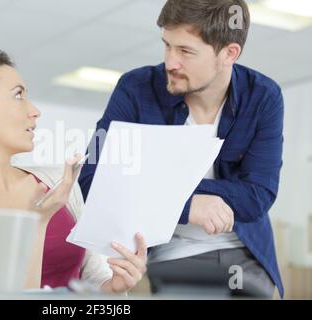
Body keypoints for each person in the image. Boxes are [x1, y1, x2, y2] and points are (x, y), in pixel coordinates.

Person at [79, 0, 283, 298]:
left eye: (186, 51)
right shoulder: (135, 89)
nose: (170, 62)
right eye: (167, 46)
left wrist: (158, 189)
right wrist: (188, 204)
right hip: (171, 257)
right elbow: (92, 180)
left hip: (248, 256)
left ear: (229, 53)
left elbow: (258, 195)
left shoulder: (264, 97)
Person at [0, 50, 147, 293]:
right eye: (18, 95)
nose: (35, 111)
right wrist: (38, 223)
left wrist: (115, 286)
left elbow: (94, 281)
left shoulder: (58, 182)